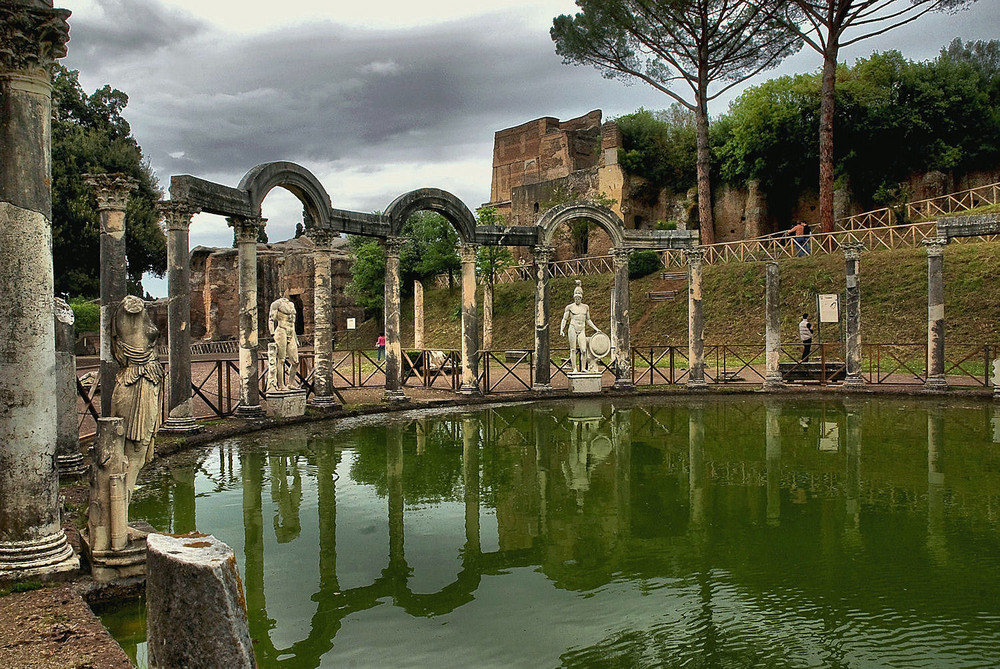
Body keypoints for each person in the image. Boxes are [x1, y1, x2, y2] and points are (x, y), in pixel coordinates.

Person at [560, 280, 603, 373]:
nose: (577, 297)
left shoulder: (585, 307)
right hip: (572, 328)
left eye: (579, 294)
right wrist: (561, 329)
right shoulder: (569, 307)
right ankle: (574, 368)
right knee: (573, 349)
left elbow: (588, 320)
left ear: (581, 296)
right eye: (576, 294)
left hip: (582, 329)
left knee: (583, 350)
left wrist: (596, 329)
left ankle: (583, 368)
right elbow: (564, 319)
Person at [268, 297, 300, 390]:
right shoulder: (276, 304)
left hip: (291, 332)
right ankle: (281, 385)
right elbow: (271, 319)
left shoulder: (291, 304)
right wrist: (272, 333)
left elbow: (293, 323)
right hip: (281, 330)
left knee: (295, 361)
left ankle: (290, 383)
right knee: (281, 359)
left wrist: (295, 337)